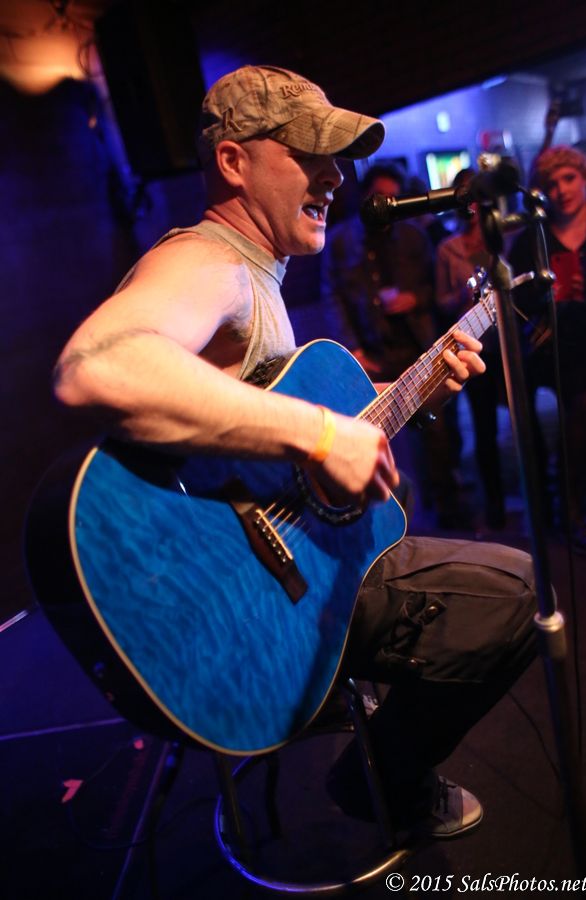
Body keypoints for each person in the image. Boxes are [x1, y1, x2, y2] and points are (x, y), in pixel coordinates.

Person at [53, 65, 538, 837]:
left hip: (286, 567)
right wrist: (322, 434)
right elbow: (96, 367)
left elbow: (263, 418)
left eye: (336, 158)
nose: (336, 176)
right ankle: (386, 783)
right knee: (520, 594)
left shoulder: (258, 274)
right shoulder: (207, 261)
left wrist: (417, 391)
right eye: (310, 154)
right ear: (233, 162)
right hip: (244, 601)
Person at [321, 164, 467, 528]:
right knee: (379, 436)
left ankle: (447, 507)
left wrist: (413, 299)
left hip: (416, 345)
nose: (386, 203)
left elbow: (434, 289)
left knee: (437, 431)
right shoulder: (341, 240)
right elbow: (332, 296)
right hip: (372, 353)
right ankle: (391, 519)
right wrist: (352, 349)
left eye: (392, 197)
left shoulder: (414, 236)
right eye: (378, 196)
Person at [510, 145, 586, 555]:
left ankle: (578, 501)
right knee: (583, 406)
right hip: (555, 345)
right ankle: (571, 508)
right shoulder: (533, 237)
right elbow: (515, 299)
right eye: (552, 182)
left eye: (569, 179)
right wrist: (546, 298)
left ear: (585, 178)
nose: (562, 190)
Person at [436, 167, 507, 530]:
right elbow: (441, 300)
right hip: (475, 344)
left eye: (476, 195)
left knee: (524, 421)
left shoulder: (506, 237)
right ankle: (495, 503)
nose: (472, 204)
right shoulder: (448, 248)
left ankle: (541, 497)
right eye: (464, 196)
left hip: (508, 343)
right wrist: (463, 295)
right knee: (484, 426)